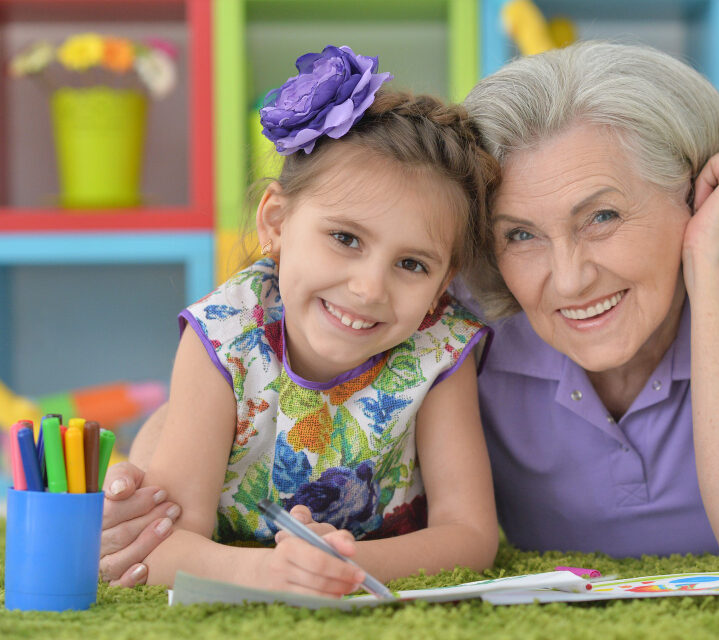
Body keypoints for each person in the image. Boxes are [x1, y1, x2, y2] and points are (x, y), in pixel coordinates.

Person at [100, 42, 719, 584]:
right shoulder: (440, 281)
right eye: (521, 234)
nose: (570, 276)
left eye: (605, 216)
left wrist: (715, 268)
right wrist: (154, 473)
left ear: (697, 193)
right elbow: (283, 381)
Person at [105, 45, 501, 595]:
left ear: (443, 281)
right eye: (345, 238)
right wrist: (271, 573)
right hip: (240, 553)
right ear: (276, 222)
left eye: (412, 264)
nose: (368, 288)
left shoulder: (438, 349)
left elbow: (471, 534)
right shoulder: (224, 338)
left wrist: (344, 566)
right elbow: (164, 545)